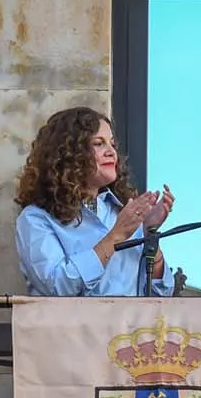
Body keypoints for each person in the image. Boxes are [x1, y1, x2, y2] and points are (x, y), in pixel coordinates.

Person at [15, 107, 176, 297]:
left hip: (130, 327)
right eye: (99, 144)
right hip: (72, 327)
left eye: (113, 145)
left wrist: (149, 235)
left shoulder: (121, 212)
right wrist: (115, 236)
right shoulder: (36, 218)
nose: (111, 153)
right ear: (67, 154)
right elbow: (57, 287)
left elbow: (161, 294)